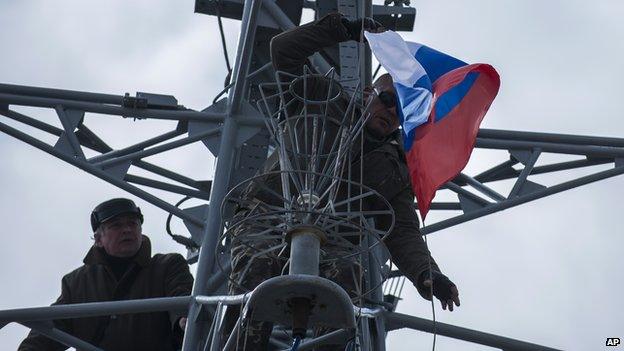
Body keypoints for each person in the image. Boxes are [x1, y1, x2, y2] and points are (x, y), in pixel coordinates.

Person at [226, 13, 461, 350]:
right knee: (255, 280)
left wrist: (428, 275)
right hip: (268, 213)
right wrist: (346, 30)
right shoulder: (320, 97)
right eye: (388, 100)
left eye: (404, 111)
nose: (392, 112)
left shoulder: (396, 169)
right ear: (368, 94)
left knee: (345, 294)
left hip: (332, 236)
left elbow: (403, 233)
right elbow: (284, 50)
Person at [19, 198, 194, 351]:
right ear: (98, 239)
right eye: (116, 225)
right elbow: (51, 329)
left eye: (132, 223)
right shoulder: (77, 282)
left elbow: (181, 297)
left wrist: (183, 319)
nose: (127, 229)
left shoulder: (167, 266)